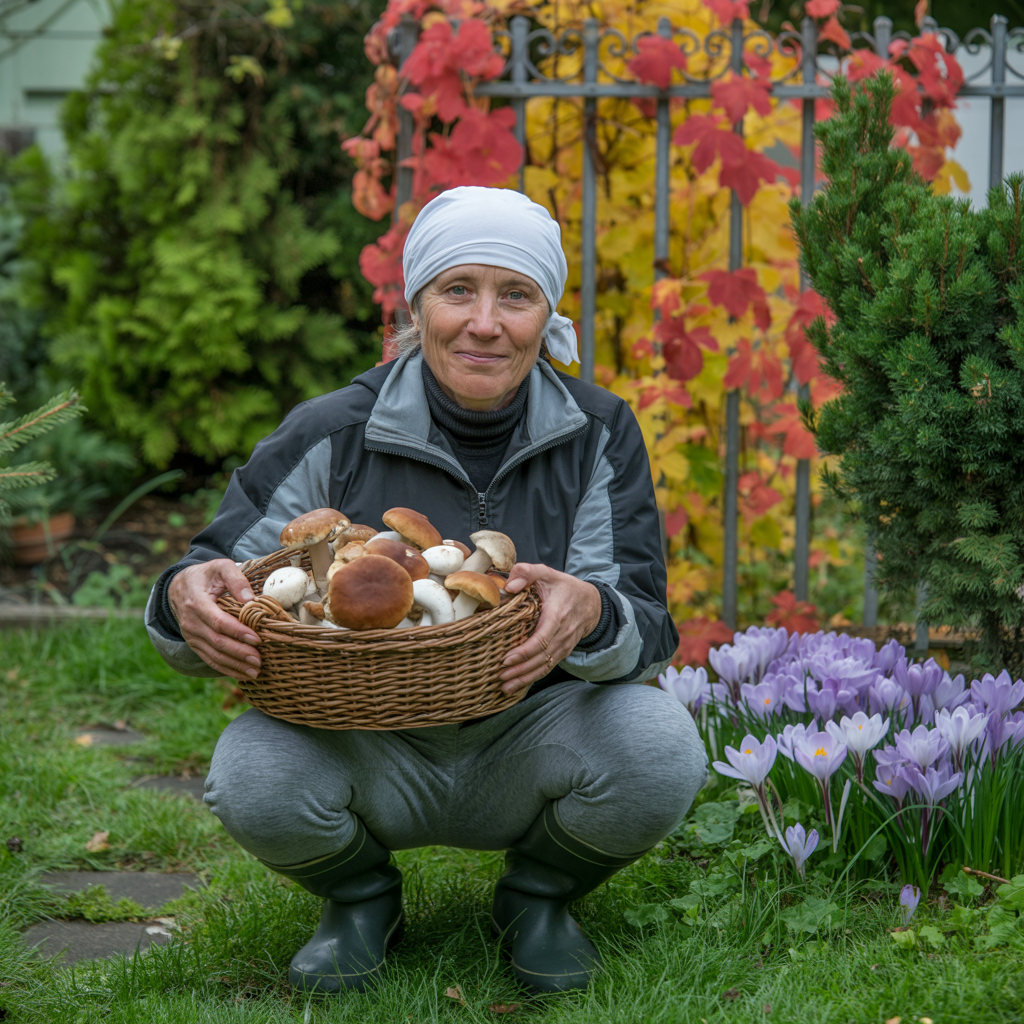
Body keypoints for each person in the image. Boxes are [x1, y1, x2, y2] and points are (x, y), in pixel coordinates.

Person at [146, 186, 707, 995]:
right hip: (361, 739)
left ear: (545, 314)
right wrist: (183, 600)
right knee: (253, 773)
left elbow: (648, 628)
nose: (484, 322)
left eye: (515, 295)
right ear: (417, 306)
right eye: (458, 290)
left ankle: (538, 896)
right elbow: (213, 575)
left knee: (660, 747)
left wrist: (594, 612)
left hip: (532, 737)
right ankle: (360, 899)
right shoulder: (332, 430)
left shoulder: (598, 432)